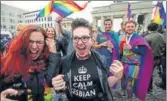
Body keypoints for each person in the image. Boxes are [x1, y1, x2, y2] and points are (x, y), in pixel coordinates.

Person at [51, 18, 124, 101]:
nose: (80, 43)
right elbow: (61, 89)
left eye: (85, 38)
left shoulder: (101, 59)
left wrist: (117, 77)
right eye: (76, 38)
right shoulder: (65, 61)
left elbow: (105, 84)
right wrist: (58, 86)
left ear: (91, 39)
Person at [0, 25, 60, 101]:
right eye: (30, 41)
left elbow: (50, 82)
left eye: (39, 42)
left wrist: (53, 53)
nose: (34, 46)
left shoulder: (45, 61)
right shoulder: (8, 63)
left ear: (45, 43)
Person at [120, 20, 154, 101]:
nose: (130, 28)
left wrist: (131, 48)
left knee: (129, 85)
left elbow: (143, 52)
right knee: (125, 84)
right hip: (124, 64)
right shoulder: (125, 37)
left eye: (132, 26)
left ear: (135, 28)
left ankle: (129, 99)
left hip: (133, 66)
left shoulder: (139, 39)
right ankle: (129, 97)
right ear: (125, 27)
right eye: (128, 26)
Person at [144, 22, 166, 92]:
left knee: (148, 73)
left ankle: (149, 88)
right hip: (161, 57)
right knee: (162, 71)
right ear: (156, 28)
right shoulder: (163, 36)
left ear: (148, 28)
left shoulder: (147, 37)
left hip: (150, 58)